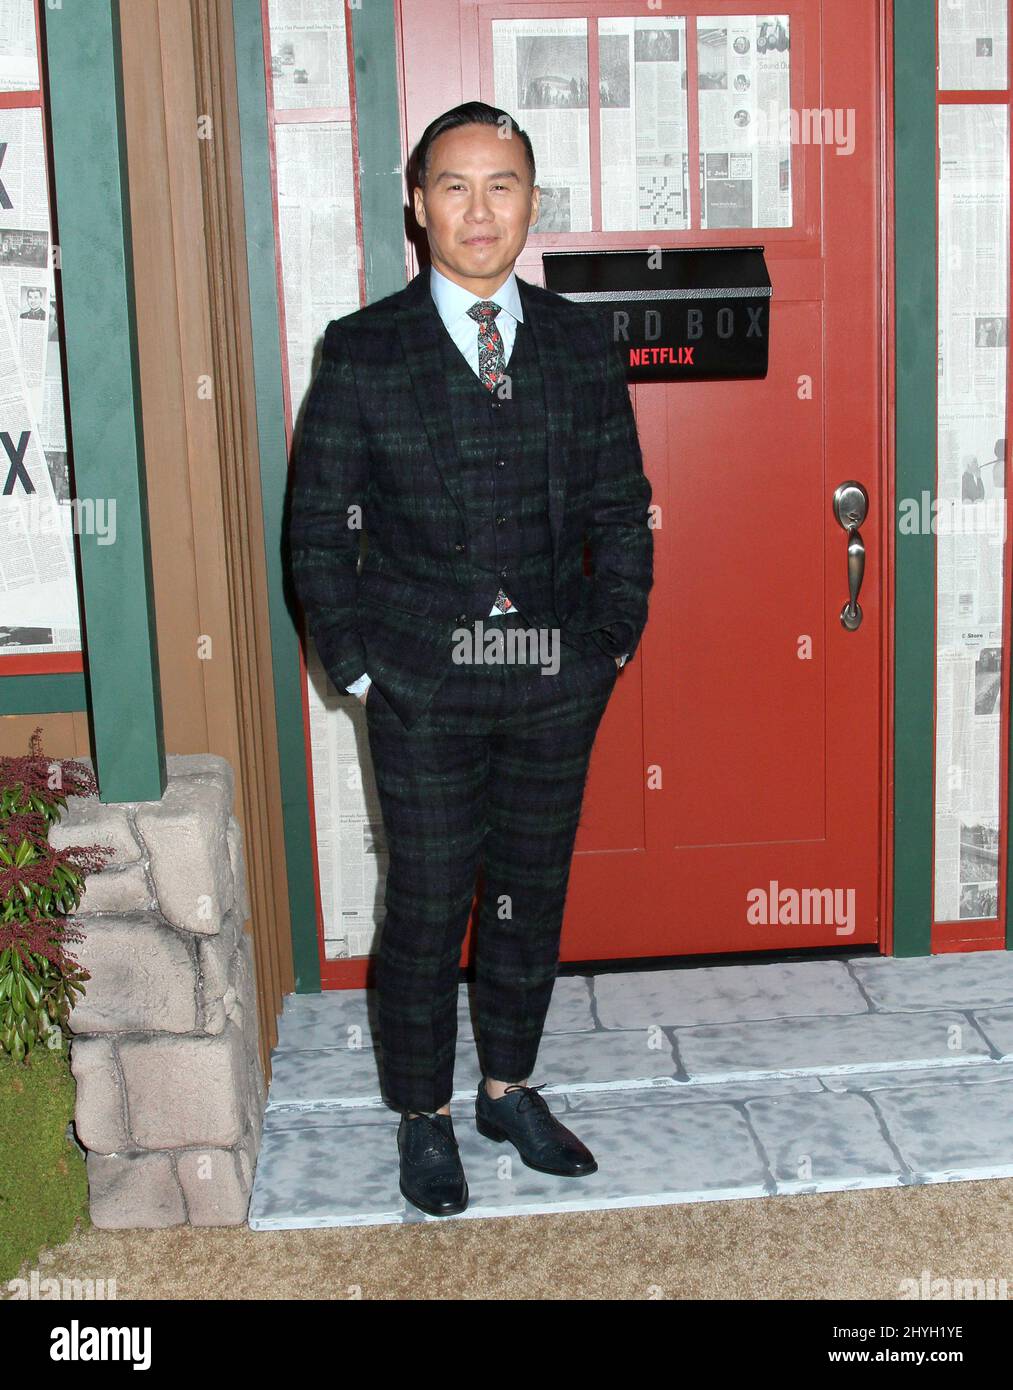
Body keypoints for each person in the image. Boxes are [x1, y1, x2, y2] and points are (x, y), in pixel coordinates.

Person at [288, 101, 653, 1217]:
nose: (478, 208)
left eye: (502, 185)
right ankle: (422, 1112)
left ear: (531, 203)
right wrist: (356, 670)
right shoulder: (360, 349)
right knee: (430, 896)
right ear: (417, 204)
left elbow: (620, 511)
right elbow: (315, 529)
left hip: (554, 675)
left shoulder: (578, 343)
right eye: (454, 184)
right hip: (417, 679)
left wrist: (608, 643)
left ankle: (505, 1087)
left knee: (526, 893)